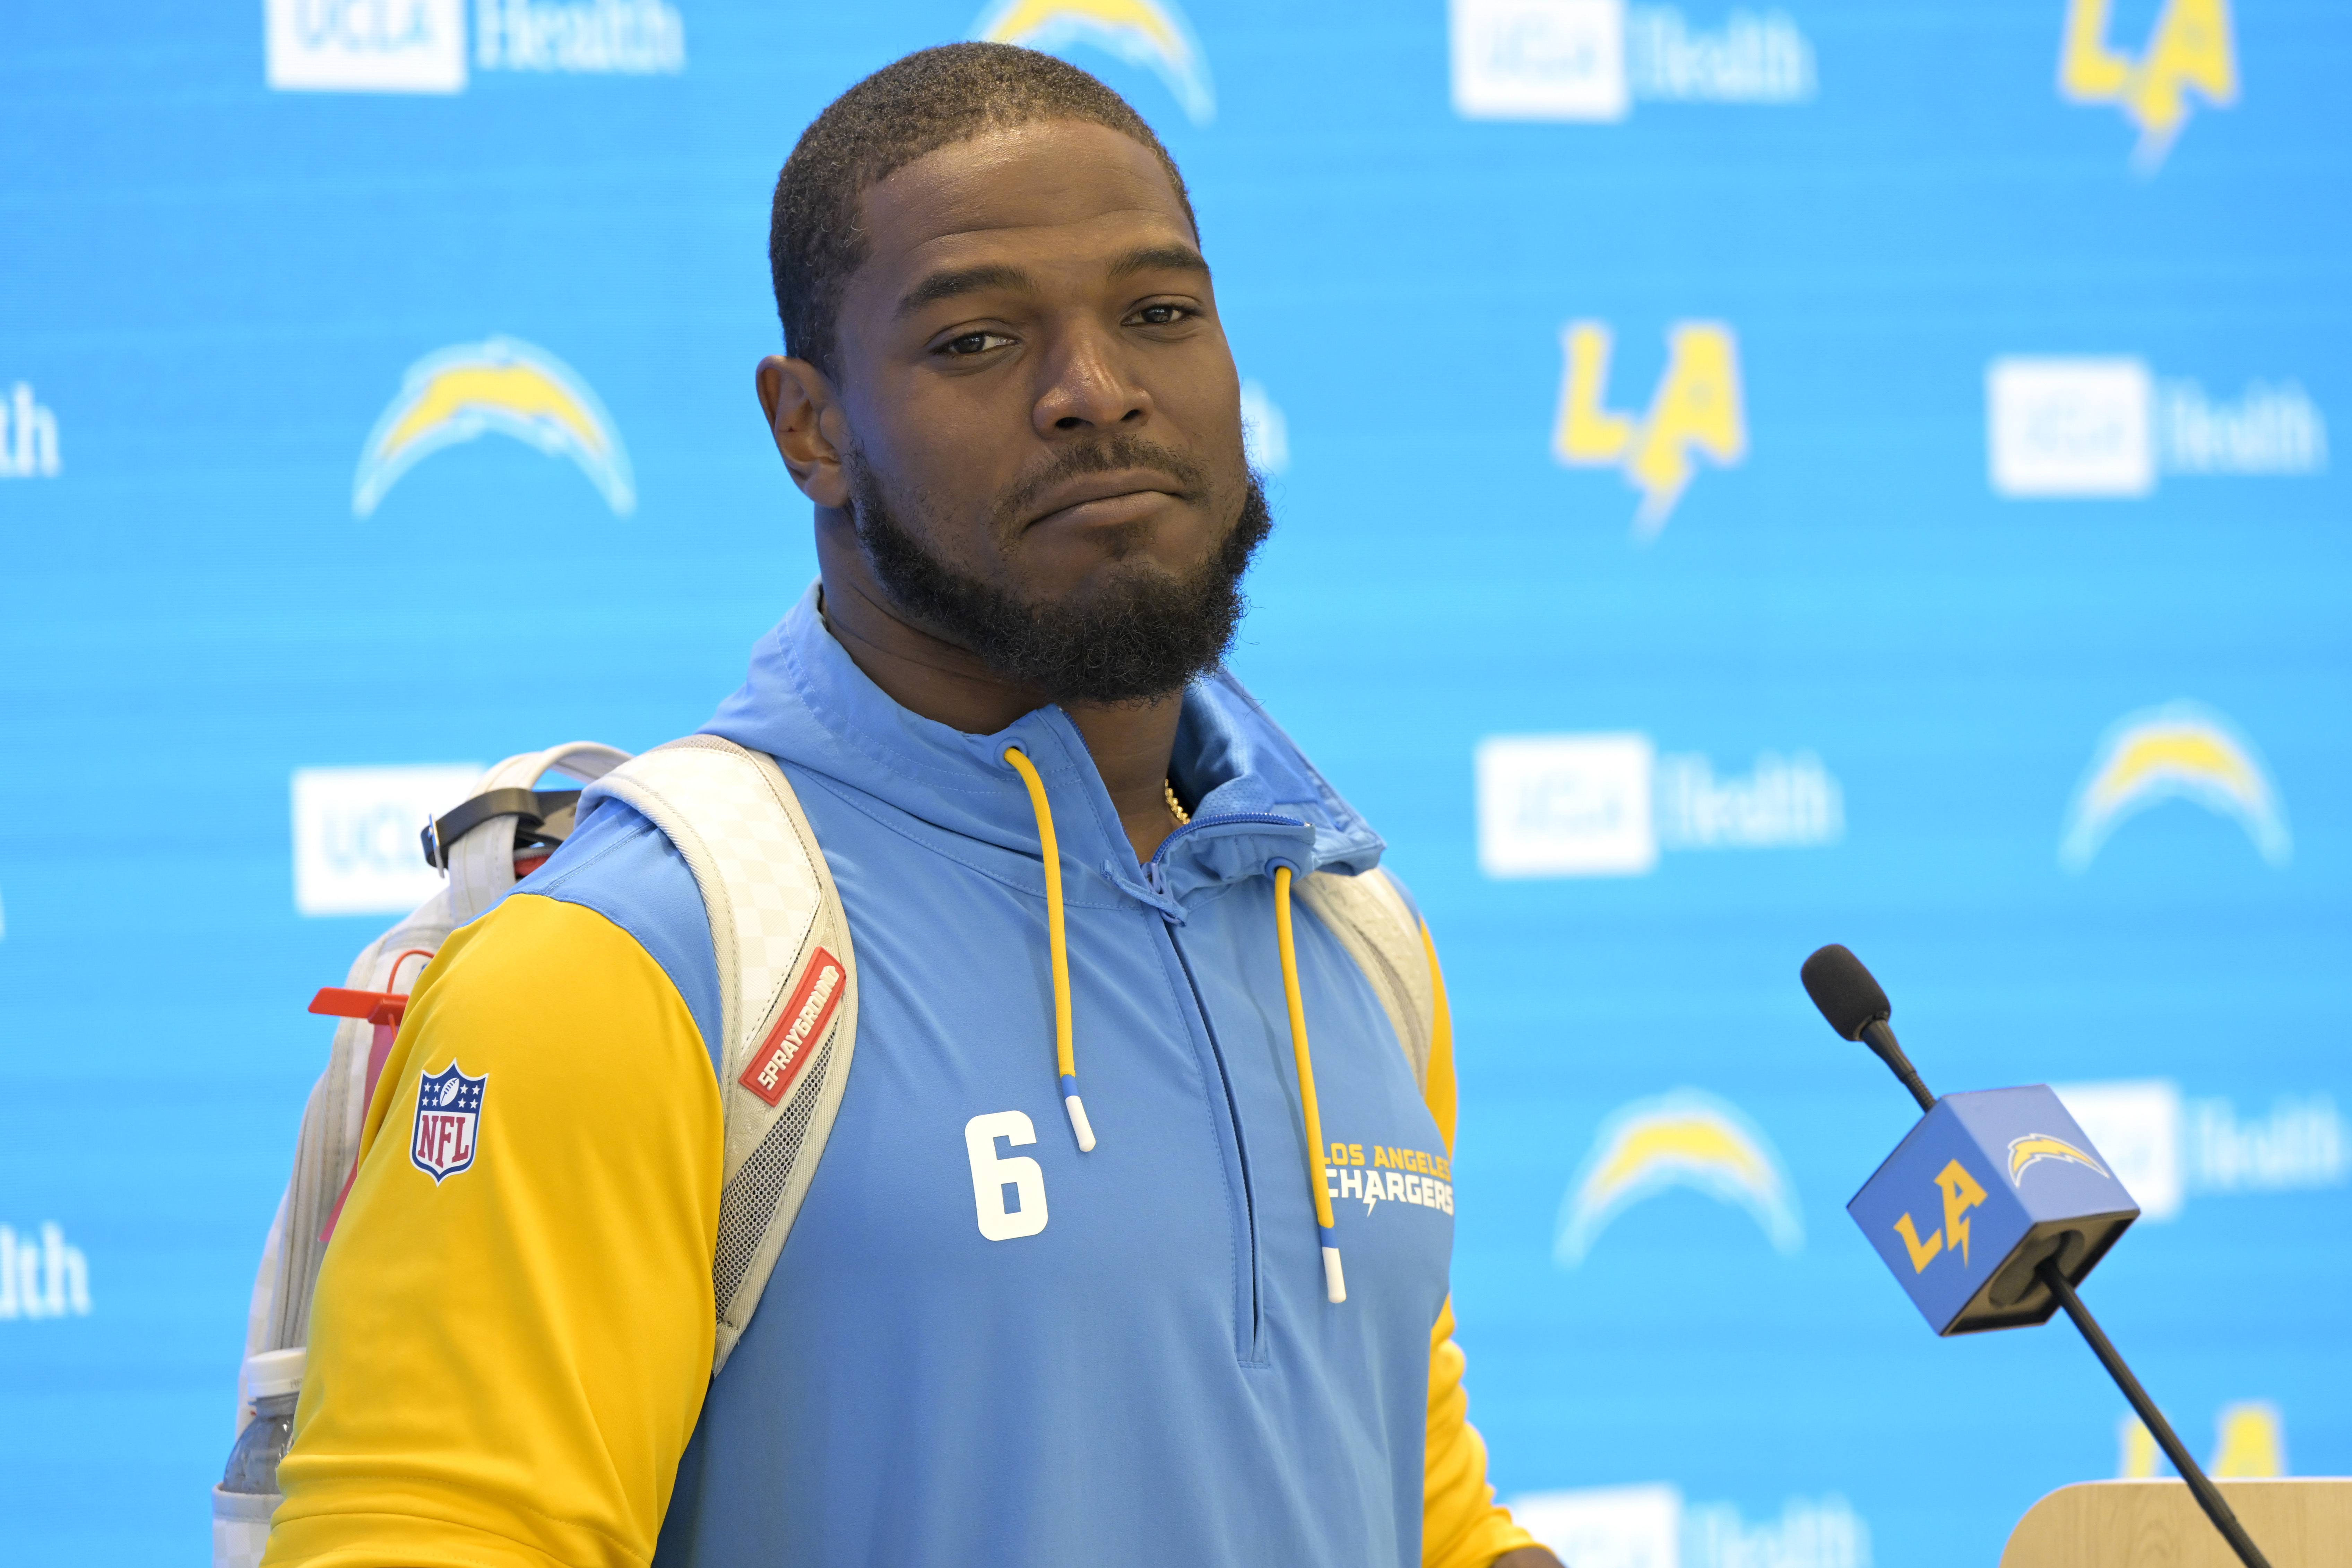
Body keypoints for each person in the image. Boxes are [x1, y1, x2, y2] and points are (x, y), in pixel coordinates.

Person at [267, 43, 1561, 1568]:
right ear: (809, 428)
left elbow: (1410, 1502)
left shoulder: (1348, 930)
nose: (1097, 392)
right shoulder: (637, 962)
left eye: (1160, 314)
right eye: (977, 340)